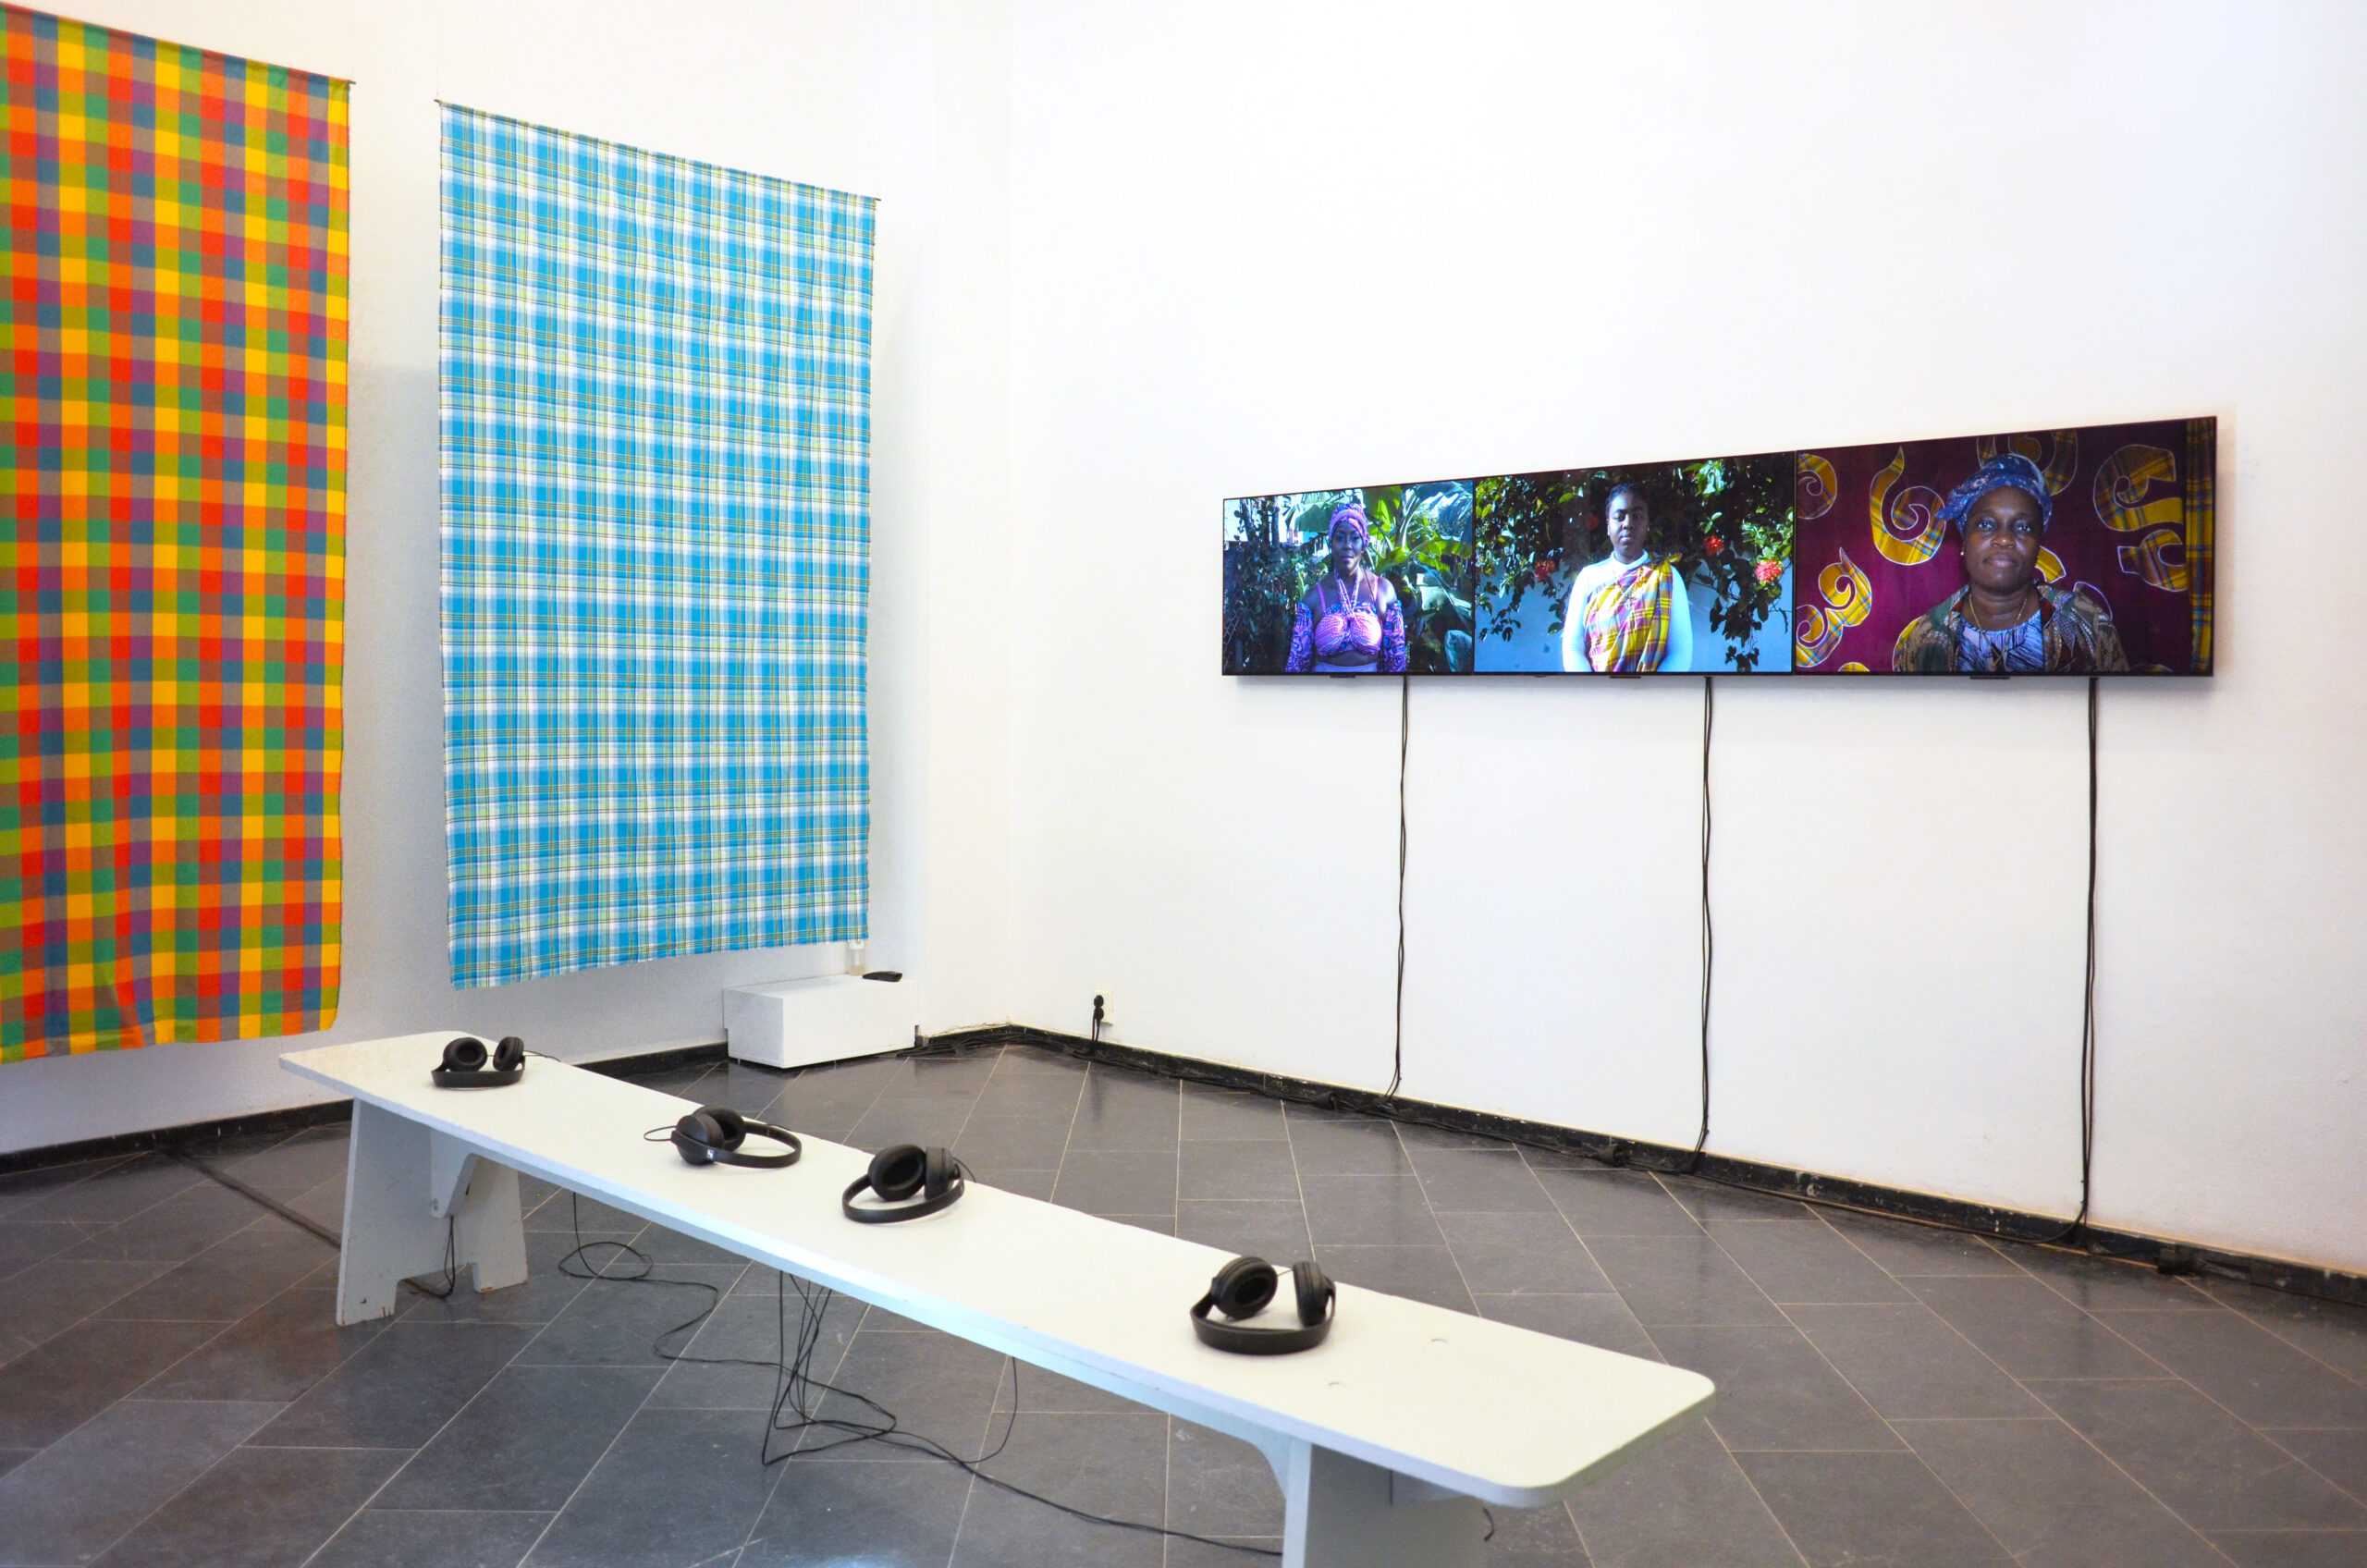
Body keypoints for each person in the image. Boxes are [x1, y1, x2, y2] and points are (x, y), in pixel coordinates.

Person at [1893, 453, 2129, 673]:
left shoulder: (2085, 622)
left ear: (2038, 545)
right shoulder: (1925, 636)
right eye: (1986, 524)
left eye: (2023, 527)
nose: (2004, 539)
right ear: (1964, 542)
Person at [1561, 484, 1693, 672]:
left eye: (1637, 516)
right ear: (1608, 526)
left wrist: (1648, 688)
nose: (1628, 524)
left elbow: (1680, 653)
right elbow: (1572, 648)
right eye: (1619, 517)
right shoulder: (1589, 578)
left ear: (1647, 525)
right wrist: (1594, 687)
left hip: (1654, 690)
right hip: (1596, 689)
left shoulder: (1668, 577)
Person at [1285, 504, 1407, 673]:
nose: (1347, 545)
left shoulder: (1382, 590)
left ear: (1364, 544)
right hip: (1324, 688)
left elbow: (1397, 661)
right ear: (1331, 543)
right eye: (1340, 538)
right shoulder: (1313, 597)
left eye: (1355, 538)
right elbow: (1298, 665)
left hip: (1372, 688)